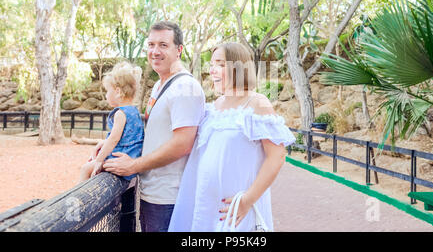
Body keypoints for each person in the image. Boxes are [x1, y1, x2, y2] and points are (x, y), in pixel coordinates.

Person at [168, 42, 296, 232]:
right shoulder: (215, 105)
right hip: (207, 208)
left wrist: (248, 199)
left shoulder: (257, 103)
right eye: (211, 65)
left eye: (220, 64)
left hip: (237, 212)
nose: (213, 70)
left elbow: (277, 156)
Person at [103, 21, 205, 232]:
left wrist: (133, 166)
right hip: (152, 194)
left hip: (170, 198)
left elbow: (182, 144)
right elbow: (154, 136)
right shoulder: (159, 86)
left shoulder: (185, 86)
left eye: (163, 45)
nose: (155, 51)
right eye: (151, 45)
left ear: (179, 50)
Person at [79, 61, 144, 183]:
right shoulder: (134, 111)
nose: (107, 95)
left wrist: (99, 160)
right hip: (132, 156)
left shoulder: (120, 113)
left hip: (119, 160)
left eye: (107, 91)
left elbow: (113, 139)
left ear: (118, 92)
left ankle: (77, 199)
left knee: (85, 168)